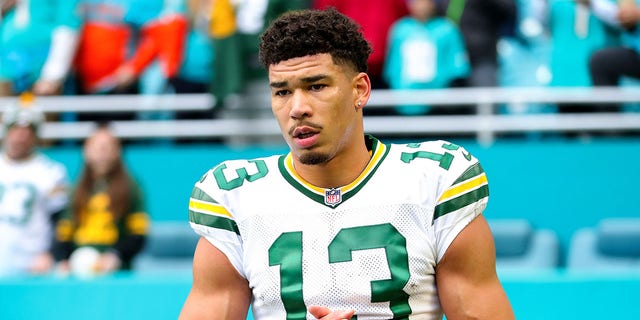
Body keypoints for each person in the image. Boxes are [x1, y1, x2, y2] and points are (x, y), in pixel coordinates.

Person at [180, 8, 514, 320]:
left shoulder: (435, 180)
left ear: (360, 90)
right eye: (282, 92)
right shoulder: (235, 196)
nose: (297, 108)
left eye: (316, 86)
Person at [49, 125, 150, 275]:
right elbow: (64, 232)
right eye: (97, 147)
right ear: (86, 151)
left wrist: (116, 255)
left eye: (107, 147)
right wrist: (63, 259)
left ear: (117, 151)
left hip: (116, 273)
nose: (102, 152)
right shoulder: (76, 189)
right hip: (79, 269)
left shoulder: (131, 187)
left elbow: (138, 234)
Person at [0, 94, 70, 276]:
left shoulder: (51, 171)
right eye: (16, 129)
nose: (21, 137)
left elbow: (60, 220)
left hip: (30, 263)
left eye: (28, 131)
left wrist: (51, 253)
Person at [383, 0, 470, 115]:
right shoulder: (400, 29)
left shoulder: (447, 29)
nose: (420, 5)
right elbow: (392, 70)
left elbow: (458, 69)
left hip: (437, 106)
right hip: (404, 104)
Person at [0, 0, 82, 96]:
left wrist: (52, 75)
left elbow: (68, 27)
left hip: (41, 71)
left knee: (41, 107)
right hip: (7, 68)